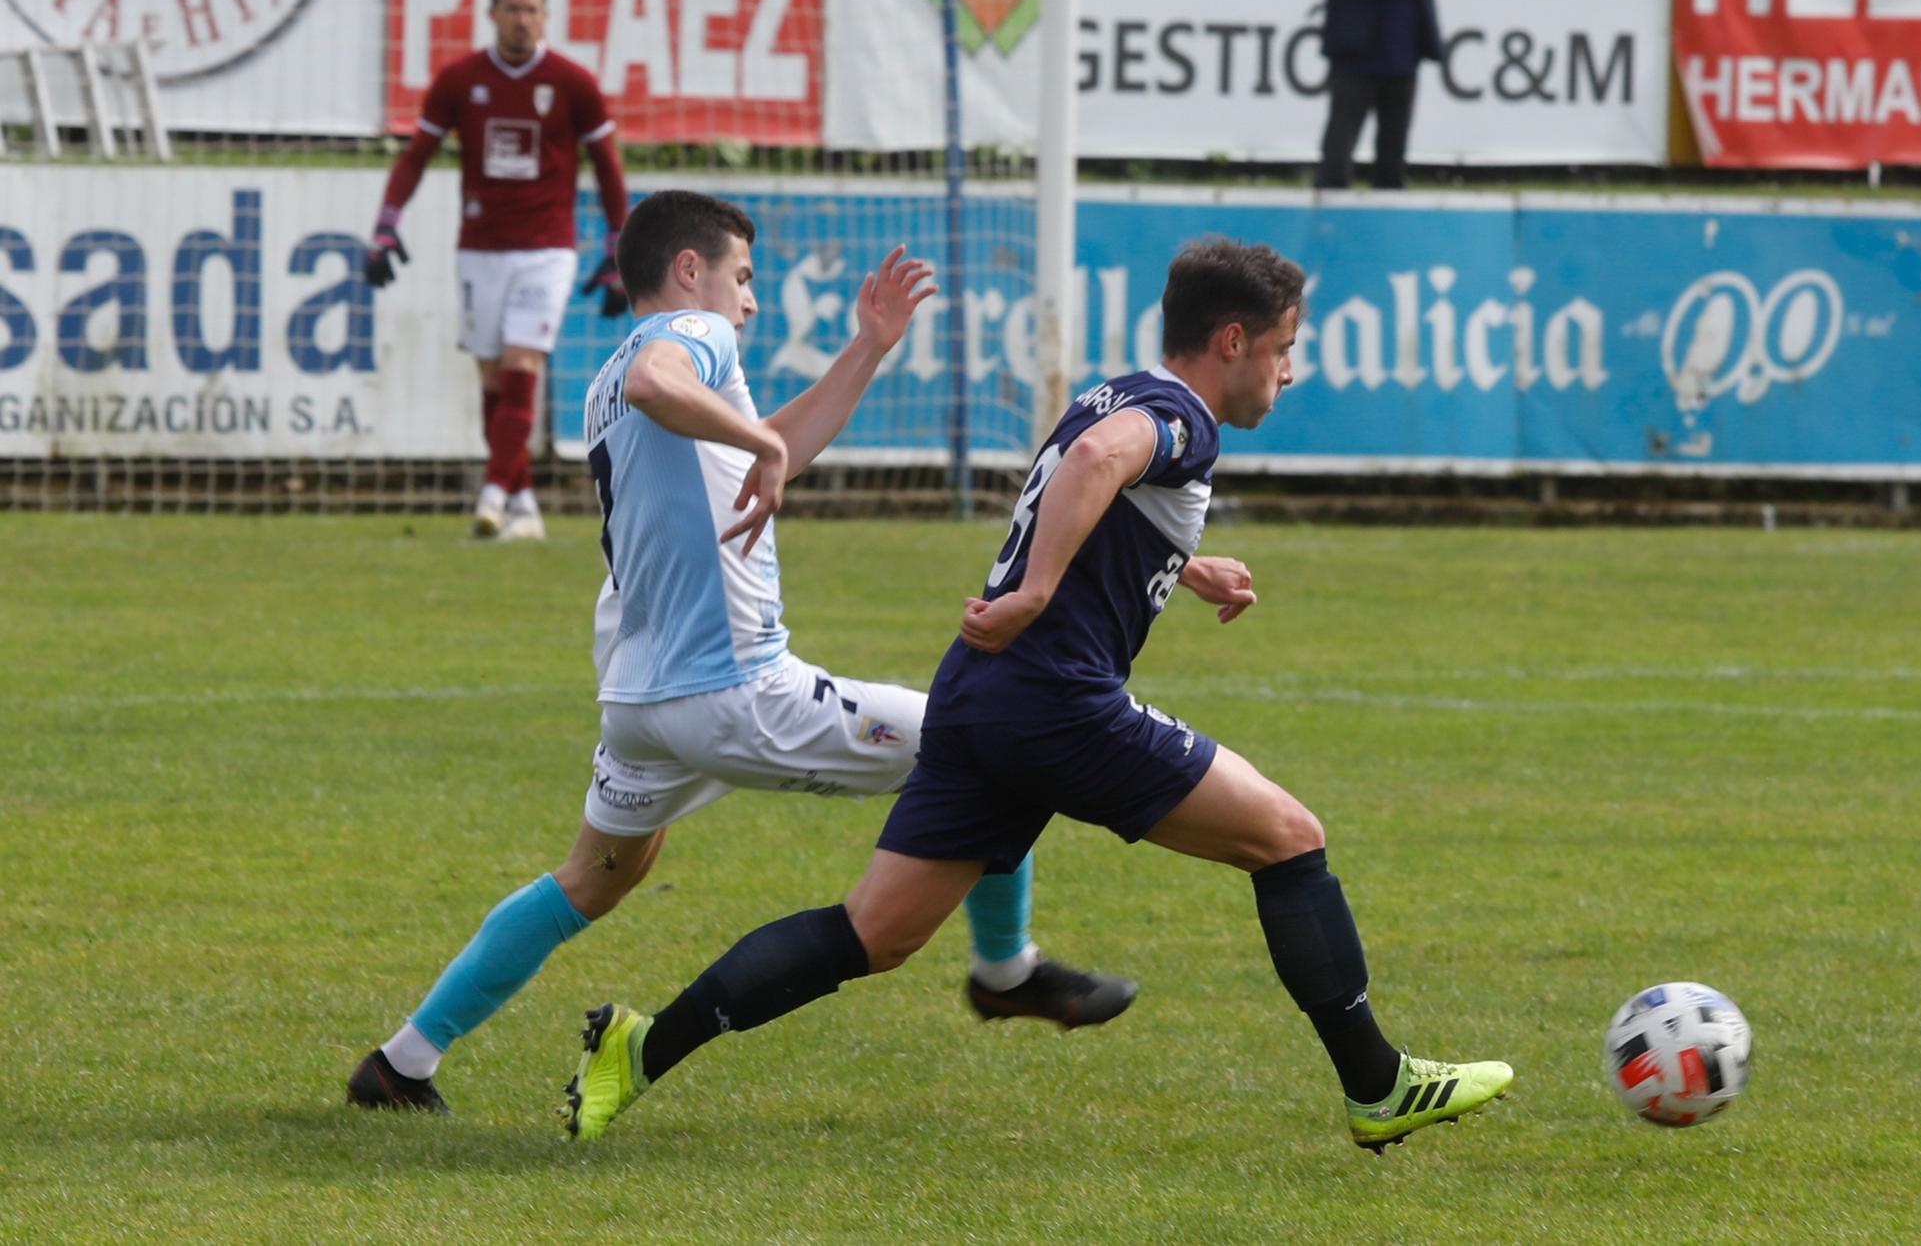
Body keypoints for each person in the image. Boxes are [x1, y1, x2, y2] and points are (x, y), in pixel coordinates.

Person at [557, 238, 1513, 1154]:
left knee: (873, 933)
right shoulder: (1181, 414)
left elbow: (1084, 478)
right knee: (1290, 837)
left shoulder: (1117, 387)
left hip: (977, 697)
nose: (1288, 371)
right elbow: (1099, 463)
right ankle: (1379, 1083)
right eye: (1284, 348)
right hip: (1057, 700)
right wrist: (1040, 595)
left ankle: (640, 1049)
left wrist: (1179, 563)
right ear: (1233, 342)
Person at [345, 190, 1136, 1115]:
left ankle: (402, 1061)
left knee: (593, 879)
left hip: (643, 707)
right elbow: (670, 386)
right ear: (691, 270)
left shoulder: (616, 378)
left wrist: (866, 350)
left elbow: (772, 448)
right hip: (735, 690)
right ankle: (1005, 969)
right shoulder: (685, 335)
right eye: (743, 276)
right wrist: (754, 433)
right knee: (990, 742)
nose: (751, 300)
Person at [364, 0, 632, 542]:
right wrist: (386, 225)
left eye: (532, 9)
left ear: (546, 14)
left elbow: (608, 168)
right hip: (480, 249)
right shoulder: (461, 80)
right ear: (492, 14)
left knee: (522, 365)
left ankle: (489, 495)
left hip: (547, 248)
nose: (522, 20)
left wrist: (618, 248)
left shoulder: (572, 82)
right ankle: (522, 502)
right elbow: (416, 156)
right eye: (512, 9)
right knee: (492, 379)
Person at [1314, 0, 1457, 190]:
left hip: (1404, 55)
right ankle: (1329, 223)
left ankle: (1387, 221)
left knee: (1392, 159)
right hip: (1355, 55)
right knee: (1338, 155)